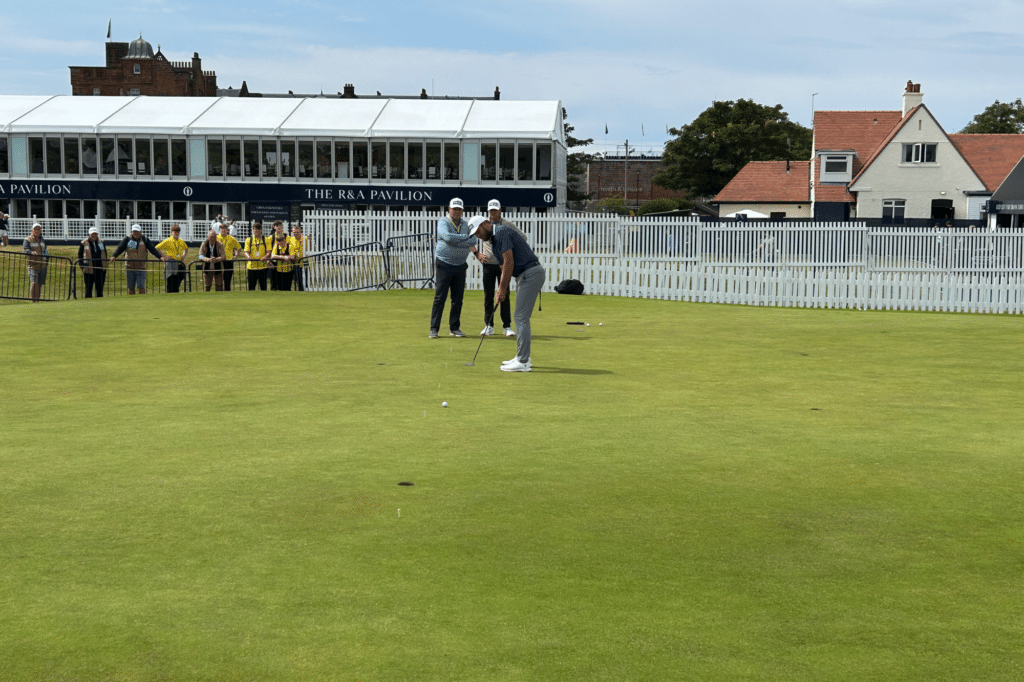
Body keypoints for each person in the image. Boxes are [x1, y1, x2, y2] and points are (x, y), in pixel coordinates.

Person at [468, 216, 545, 372]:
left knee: (520, 317)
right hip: (524, 275)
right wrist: (500, 290)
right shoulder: (494, 241)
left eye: (478, 231)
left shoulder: (501, 232)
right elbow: (504, 266)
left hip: (530, 273)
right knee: (520, 316)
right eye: (475, 234)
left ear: (485, 224)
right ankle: (522, 357)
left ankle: (523, 361)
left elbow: (509, 261)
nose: (478, 236)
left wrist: (503, 288)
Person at [429, 197, 483, 338]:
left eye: (460, 209)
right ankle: (434, 329)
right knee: (440, 297)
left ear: (462, 210)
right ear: (449, 209)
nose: (457, 211)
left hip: (460, 265)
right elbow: (446, 237)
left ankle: (454, 328)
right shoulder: (443, 222)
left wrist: (457, 241)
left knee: (457, 299)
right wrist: (463, 240)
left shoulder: (466, 224)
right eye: (455, 209)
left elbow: (474, 239)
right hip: (444, 264)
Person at [480, 199, 526, 337]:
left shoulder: (507, 225)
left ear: (500, 210)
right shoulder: (483, 225)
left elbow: (523, 237)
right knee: (488, 296)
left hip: (504, 266)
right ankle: (489, 325)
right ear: (488, 211)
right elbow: (471, 238)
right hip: (488, 264)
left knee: (504, 295)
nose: (493, 213)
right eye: (491, 210)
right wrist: (477, 253)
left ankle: (507, 326)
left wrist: (511, 251)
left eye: (495, 210)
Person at [110, 224, 167, 295]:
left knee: (141, 286)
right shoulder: (127, 239)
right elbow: (120, 248)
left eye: (137, 232)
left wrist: (160, 257)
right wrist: (114, 256)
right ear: (131, 232)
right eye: (134, 232)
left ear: (141, 232)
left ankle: (142, 301)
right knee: (131, 287)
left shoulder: (145, 239)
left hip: (141, 267)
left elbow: (152, 249)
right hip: (129, 267)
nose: (136, 233)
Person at [77, 227, 109, 298]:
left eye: (95, 233)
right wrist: (82, 266)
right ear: (89, 234)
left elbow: (104, 253)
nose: (94, 235)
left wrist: (105, 266)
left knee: (100, 288)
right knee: (88, 288)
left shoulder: (101, 242)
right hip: (88, 268)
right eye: (92, 234)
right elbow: (80, 255)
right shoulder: (84, 243)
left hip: (100, 267)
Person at [156, 225, 188, 293]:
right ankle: (170, 294)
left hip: (179, 263)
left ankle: (176, 292)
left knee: (178, 280)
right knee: (171, 281)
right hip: (171, 263)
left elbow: (186, 248)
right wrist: (165, 256)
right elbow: (157, 248)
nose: (177, 233)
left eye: (178, 232)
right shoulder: (168, 240)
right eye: (175, 232)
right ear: (172, 232)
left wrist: (183, 255)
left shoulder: (180, 240)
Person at [23, 223, 48, 302]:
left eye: (39, 229)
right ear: (32, 230)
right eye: (35, 229)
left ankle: (37, 300)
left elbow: (45, 250)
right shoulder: (27, 240)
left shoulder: (42, 240)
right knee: (34, 283)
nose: (37, 231)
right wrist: (31, 252)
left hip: (43, 264)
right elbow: (26, 250)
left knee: (40, 284)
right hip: (32, 265)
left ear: (41, 231)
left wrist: (46, 257)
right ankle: (34, 300)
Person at [244, 222, 271, 291]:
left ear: (261, 230)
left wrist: (265, 257)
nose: (256, 231)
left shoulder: (266, 239)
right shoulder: (249, 240)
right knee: (251, 287)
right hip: (252, 267)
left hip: (263, 267)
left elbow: (269, 252)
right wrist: (248, 256)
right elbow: (246, 252)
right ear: (253, 230)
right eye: (255, 229)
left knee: (263, 287)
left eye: (258, 229)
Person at [217, 222, 243, 291]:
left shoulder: (231, 238)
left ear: (227, 230)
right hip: (219, 261)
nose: (223, 230)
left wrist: (236, 255)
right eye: (222, 229)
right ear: (219, 229)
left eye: (225, 229)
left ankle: (227, 293)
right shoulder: (216, 238)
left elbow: (239, 248)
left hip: (228, 261)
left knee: (227, 280)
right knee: (219, 280)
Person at [291, 223, 311, 291]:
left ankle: (306, 290)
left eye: (297, 232)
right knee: (297, 279)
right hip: (296, 262)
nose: (295, 234)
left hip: (304, 262)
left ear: (300, 232)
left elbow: (312, 248)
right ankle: (300, 290)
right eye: (294, 232)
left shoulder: (305, 238)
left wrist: (310, 241)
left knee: (305, 279)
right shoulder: (291, 239)